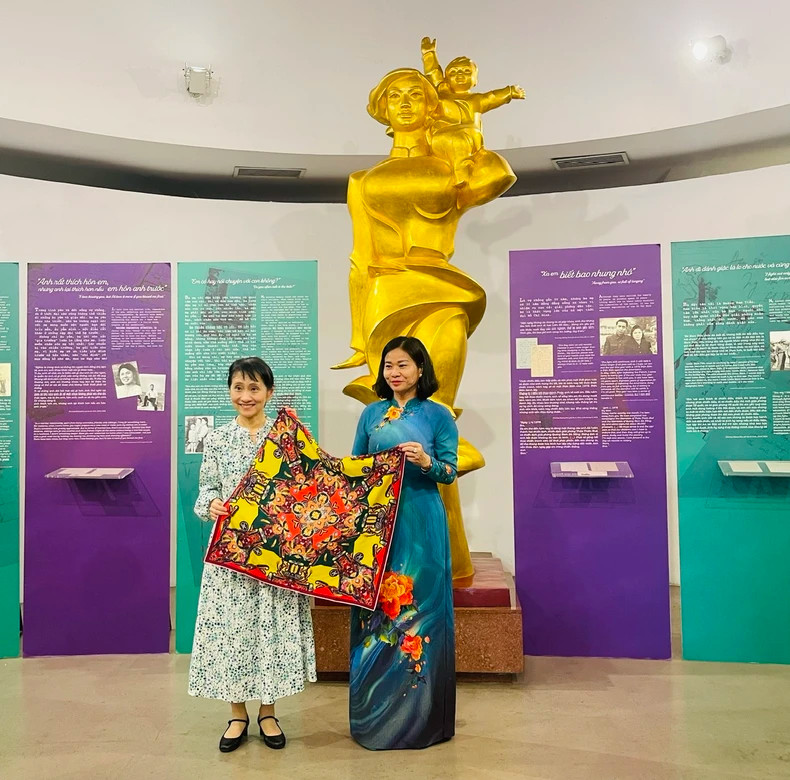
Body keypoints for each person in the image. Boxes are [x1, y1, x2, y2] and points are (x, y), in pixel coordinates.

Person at [334, 65, 517, 582]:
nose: (407, 101)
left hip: (442, 292)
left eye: (418, 92)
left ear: (432, 102)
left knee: (435, 413)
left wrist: (465, 132)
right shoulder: (363, 180)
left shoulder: (451, 157)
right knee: (389, 422)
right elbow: (359, 260)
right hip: (385, 299)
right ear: (382, 108)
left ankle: (446, 561)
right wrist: (356, 337)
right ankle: (413, 560)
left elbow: (497, 175)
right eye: (395, 94)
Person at [188, 356, 316, 753]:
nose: (246, 396)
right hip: (229, 557)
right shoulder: (218, 440)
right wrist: (210, 506)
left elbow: (307, 490)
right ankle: (237, 713)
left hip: (274, 557)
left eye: (254, 388)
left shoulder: (285, 438)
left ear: (269, 392)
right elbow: (205, 491)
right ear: (229, 391)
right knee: (234, 633)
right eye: (239, 388)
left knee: (268, 630)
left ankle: (268, 711)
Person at [349, 336, 458, 750]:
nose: (394, 373)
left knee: (419, 617)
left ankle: (422, 720)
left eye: (403, 365)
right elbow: (355, 466)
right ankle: (372, 720)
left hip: (421, 524)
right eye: (388, 366)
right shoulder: (370, 414)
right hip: (378, 524)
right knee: (375, 614)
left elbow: (449, 471)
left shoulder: (438, 416)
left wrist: (427, 462)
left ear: (420, 369)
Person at [421, 37, 525, 186]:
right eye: (454, 73)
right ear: (447, 78)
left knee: (460, 141)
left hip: (469, 139)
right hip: (442, 138)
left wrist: (509, 91)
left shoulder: (476, 100)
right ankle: (456, 171)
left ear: (475, 80)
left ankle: (462, 172)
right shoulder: (441, 94)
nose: (460, 75)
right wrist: (429, 54)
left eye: (466, 72)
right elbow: (433, 73)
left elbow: (492, 97)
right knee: (450, 140)